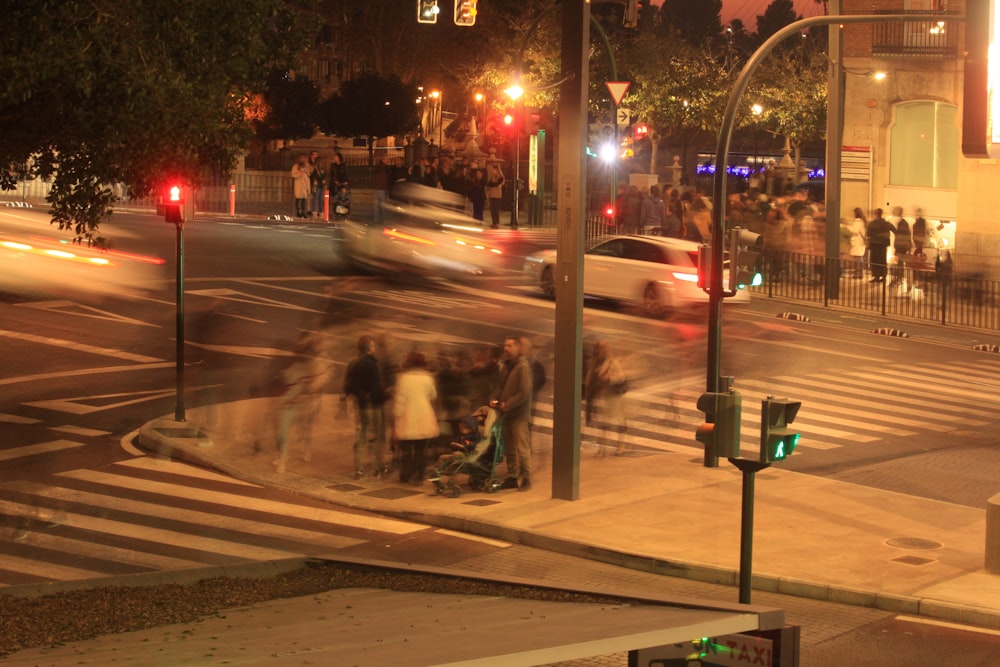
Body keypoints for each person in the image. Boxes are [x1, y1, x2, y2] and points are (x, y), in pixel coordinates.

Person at [489, 336, 533, 491]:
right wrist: (494, 399)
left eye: (509, 345)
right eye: (505, 345)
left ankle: (526, 478)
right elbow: (500, 387)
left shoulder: (522, 366)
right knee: (509, 448)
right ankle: (513, 476)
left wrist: (509, 404)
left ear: (517, 348)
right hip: (506, 414)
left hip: (518, 414)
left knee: (522, 448)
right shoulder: (507, 366)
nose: (506, 348)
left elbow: (524, 392)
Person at [343, 335, 389, 479]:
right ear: (369, 348)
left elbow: (347, 386)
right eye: (373, 346)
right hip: (374, 406)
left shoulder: (353, 363)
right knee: (378, 437)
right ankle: (378, 467)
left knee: (361, 437)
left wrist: (358, 396)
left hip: (361, 406)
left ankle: (359, 468)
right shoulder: (372, 364)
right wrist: (385, 396)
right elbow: (376, 388)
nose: (374, 348)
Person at [392, 351, 439, 485]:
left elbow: (399, 401)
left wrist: (396, 420)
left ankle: (406, 475)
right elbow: (433, 396)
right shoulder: (428, 378)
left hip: (407, 417)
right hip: (424, 416)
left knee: (406, 450)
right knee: (420, 450)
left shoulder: (403, 379)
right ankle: (419, 476)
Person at [584, 340, 627, 456]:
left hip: (613, 396)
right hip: (601, 396)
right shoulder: (594, 362)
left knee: (618, 421)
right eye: (599, 348)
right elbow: (589, 378)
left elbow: (622, 377)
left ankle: (620, 446)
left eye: (603, 348)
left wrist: (608, 378)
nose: (601, 350)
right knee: (603, 424)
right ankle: (602, 448)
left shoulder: (612, 362)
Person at [866, 208, 894, 283]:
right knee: (883, 260)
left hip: (874, 244)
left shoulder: (872, 223)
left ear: (875, 214)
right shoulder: (886, 223)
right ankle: (884, 276)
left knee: (875, 260)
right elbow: (894, 229)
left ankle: (876, 276)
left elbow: (868, 234)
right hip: (884, 244)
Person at [846, 208, 868, 278]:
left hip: (857, 242)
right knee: (859, 257)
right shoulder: (862, 221)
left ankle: (858, 273)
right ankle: (859, 272)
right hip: (860, 242)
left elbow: (855, 231)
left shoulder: (858, 222)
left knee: (857, 258)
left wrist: (847, 227)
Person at [290, 153, 312, 219]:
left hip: (305, 185)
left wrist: (306, 172)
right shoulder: (295, 166)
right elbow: (293, 175)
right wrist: (300, 173)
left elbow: (309, 173)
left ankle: (304, 212)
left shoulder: (307, 166)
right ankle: (298, 212)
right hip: (299, 185)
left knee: (304, 200)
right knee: (298, 199)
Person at [486, 164, 505, 229]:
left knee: (496, 209)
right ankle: (493, 222)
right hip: (492, 195)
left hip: (497, 196)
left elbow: (497, 184)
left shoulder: (501, 177)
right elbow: (489, 184)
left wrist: (493, 184)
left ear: (497, 170)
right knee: (492, 209)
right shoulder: (492, 177)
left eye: (494, 169)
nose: (492, 171)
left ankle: (497, 222)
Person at [310, 154, 327, 219]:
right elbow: (313, 176)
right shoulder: (315, 169)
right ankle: (315, 211)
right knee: (316, 198)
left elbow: (325, 176)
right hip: (316, 185)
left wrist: (324, 180)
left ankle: (321, 211)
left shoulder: (323, 170)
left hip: (321, 185)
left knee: (321, 199)